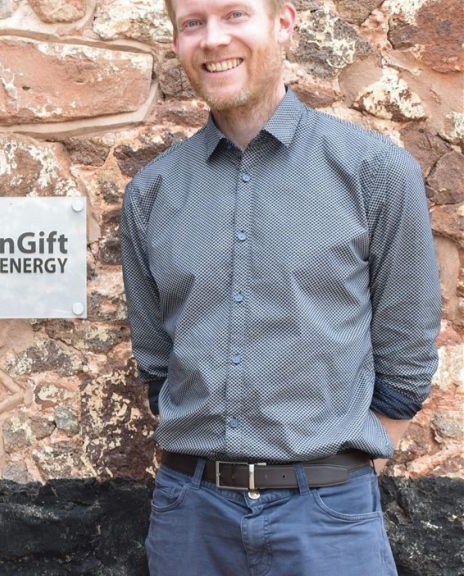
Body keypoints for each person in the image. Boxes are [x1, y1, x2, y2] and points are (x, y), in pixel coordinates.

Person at [120, 0, 441, 573]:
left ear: (285, 23)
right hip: (191, 516)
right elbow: (156, 360)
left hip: (327, 516)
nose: (213, 39)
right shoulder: (153, 192)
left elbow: (407, 343)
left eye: (235, 15)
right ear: (177, 41)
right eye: (193, 23)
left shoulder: (375, 172)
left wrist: (337, 458)